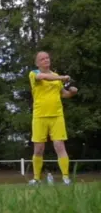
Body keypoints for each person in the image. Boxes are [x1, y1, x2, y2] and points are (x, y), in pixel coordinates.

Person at [28, 51, 77, 185]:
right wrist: (62, 78)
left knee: (59, 146)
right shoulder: (34, 73)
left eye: (47, 58)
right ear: (37, 63)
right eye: (42, 59)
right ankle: (36, 178)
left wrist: (72, 92)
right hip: (39, 115)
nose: (45, 60)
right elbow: (43, 77)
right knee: (38, 148)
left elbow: (63, 94)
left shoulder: (56, 76)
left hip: (57, 115)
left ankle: (66, 177)